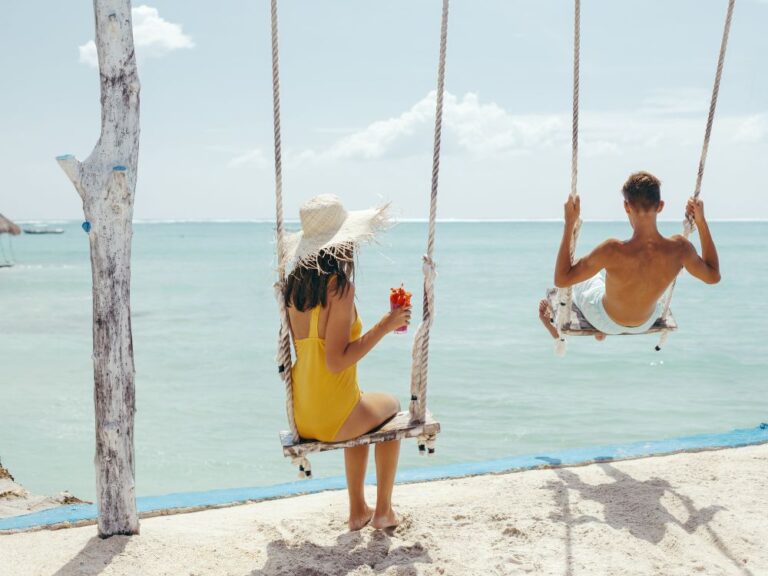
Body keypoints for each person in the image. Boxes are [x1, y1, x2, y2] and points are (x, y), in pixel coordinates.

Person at [283, 194, 410, 531]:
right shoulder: (338, 287)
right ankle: (382, 511)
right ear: (342, 244)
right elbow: (337, 361)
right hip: (333, 417)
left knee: (362, 406)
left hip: (303, 413)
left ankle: (358, 510)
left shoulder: (292, 286)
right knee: (392, 408)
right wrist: (387, 324)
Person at [540, 171, 720, 340]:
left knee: (584, 275)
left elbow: (561, 279)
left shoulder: (612, 250)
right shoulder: (681, 249)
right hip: (645, 322)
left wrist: (569, 222)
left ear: (626, 206)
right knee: (608, 281)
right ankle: (604, 325)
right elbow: (713, 277)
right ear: (661, 206)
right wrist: (701, 222)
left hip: (605, 319)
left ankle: (589, 330)